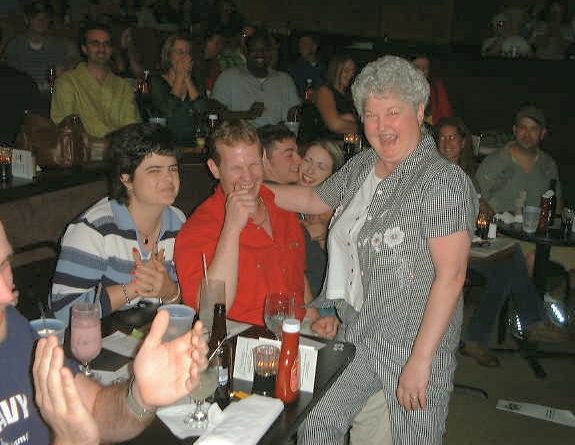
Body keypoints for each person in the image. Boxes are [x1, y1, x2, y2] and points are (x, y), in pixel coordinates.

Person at [267, 55, 478, 444]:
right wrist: (254, 191)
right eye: (371, 115)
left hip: (413, 340)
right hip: (360, 330)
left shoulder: (441, 182)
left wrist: (421, 360)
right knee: (316, 422)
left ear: (419, 111)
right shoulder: (364, 164)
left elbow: (451, 277)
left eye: (393, 112)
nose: (382, 126)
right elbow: (315, 198)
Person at [0, 220, 208, 445]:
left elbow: (95, 407)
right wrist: (70, 440)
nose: (7, 295)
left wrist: (140, 396)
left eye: (3, 265)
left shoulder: (12, 327)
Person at [435, 117, 568, 367]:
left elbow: (478, 204)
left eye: (452, 137)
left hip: (469, 243)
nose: (446, 143)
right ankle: (531, 322)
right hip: (441, 246)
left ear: (463, 142)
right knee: (511, 260)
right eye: (442, 137)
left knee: (508, 262)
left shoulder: (467, 173)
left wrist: (483, 209)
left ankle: (479, 339)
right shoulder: (433, 171)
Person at [175, 119, 313, 326]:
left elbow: (298, 277)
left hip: (297, 332)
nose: (247, 177)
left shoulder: (282, 209)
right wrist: (231, 229)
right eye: (236, 168)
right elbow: (209, 313)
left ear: (263, 159)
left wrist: (314, 317)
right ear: (215, 169)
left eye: (253, 164)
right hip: (241, 338)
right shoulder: (198, 229)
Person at [50, 123, 185, 326]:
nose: (169, 178)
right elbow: (64, 312)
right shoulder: (94, 230)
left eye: (172, 168)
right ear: (126, 178)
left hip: (153, 332)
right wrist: (134, 288)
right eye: (154, 170)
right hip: (100, 339)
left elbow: (189, 296)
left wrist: (170, 291)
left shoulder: (179, 222)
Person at [50, 21, 140, 139]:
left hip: (119, 148)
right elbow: (66, 129)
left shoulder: (123, 86)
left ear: (111, 49)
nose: (102, 48)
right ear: (84, 49)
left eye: (106, 44)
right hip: (81, 149)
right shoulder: (67, 82)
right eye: (95, 43)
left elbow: (132, 127)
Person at [475, 105, 562, 214]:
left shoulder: (548, 165)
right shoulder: (493, 162)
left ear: (543, 133)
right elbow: (474, 201)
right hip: (497, 224)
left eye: (533, 129)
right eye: (522, 128)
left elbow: (557, 205)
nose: (527, 134)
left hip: (536, 224)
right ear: (515, 130)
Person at [210, 29, 301, 127]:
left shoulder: (285, 79)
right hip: (242, 135)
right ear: (245, 52)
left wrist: (284, 126)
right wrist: (247, 114)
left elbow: (296, 114)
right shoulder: (229, 77)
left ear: (271, 53)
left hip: (278, 135)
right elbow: (214, 113)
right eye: (254, 50)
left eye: (265, 50)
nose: (260, 54)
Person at [297, 140, 344, 299]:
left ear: (333, 176)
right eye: (307, 160)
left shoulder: (335, 212)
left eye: (321, 167)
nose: (310, 170)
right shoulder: (287, 199)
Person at [4, 1, 79, 93]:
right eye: (36, 17)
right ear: (27, 19)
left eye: (45, 17)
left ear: (50, 20)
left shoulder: (59, 44)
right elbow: (12, 77)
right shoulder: (15, 45)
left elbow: (62, 73)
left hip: (52, 95)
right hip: (24, 94)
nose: (41, 21)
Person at [149, 33, 207, 144]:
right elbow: (167, 112)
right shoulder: (156, 81)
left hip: (195, 142)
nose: (184, 57)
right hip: (166, 143)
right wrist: (179, 77)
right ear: (168, 55)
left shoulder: (197, 81)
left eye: (187, 52)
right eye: (179, 52)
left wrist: (187, 79)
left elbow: (202, 112)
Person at [309, 54, 359, 141]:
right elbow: (335, 125)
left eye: (353, 71)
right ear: (336, 70)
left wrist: (348, 120)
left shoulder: (351, 95)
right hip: (327, 144)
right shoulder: (325, 91)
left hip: (348, 143)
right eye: (346, 70)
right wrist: (359, 127)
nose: (350, 74)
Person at [411, 53, 453, 126]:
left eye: (425, 67)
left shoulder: (436, 87)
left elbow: (447, 115)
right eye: (417, 67)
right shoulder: (400, 89)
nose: (422, 71)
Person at [287, 33, 327, 99]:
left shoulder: (321, 69)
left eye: (305, 44)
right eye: (300, 44)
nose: (301, 47)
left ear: (314, 47)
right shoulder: (293, 68)